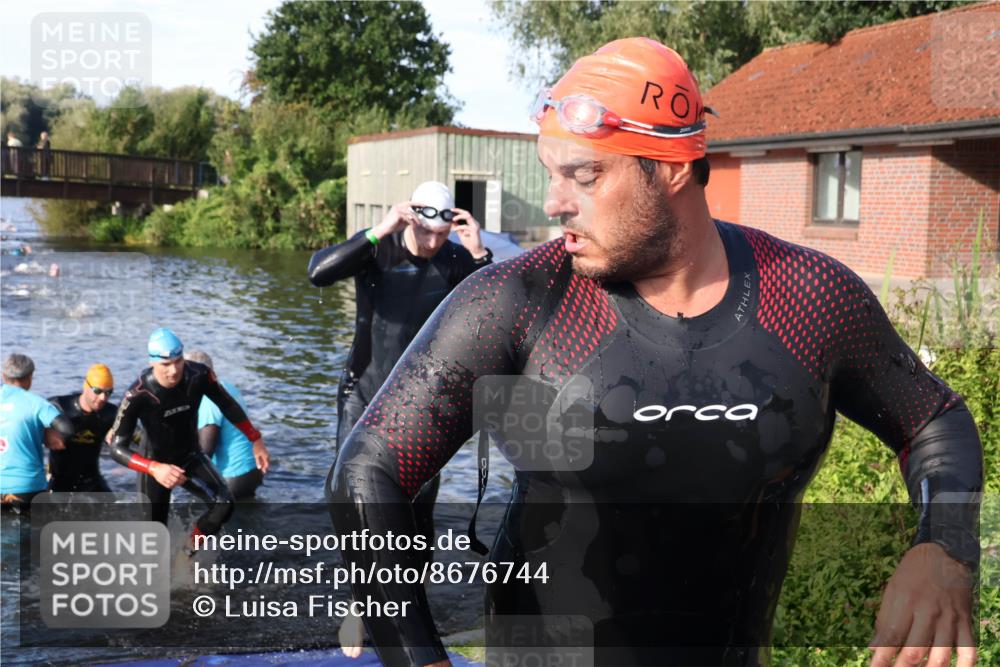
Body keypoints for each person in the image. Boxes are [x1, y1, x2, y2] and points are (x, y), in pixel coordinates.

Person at [327, 38, 983, 667]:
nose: (555, 202)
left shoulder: (808, 299)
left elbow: (934, 421)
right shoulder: (518, 300)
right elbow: (366, 471)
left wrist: (944, 548)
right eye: (553, 174)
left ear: (671, 167)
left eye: (583, 176)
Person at [309, 180, 493, 656]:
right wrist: (378, 230)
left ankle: (408, 599)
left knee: (416, 513)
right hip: (364, 395)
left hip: (422, 400)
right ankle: (359, 602)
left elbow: (492, 316)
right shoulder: (381, 249)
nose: (433, 243)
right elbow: (318, 273)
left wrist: (478, 254)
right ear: (411, 218)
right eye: (425, 232)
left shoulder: (456, 259)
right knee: (360, 506)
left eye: (442, 234)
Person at [107, 328, 266, 545]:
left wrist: (255, 439)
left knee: (224, 504)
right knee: (154, 535)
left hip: (189, 455)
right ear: (152, 362)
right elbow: (116, 448)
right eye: (166, 364)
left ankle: (187, 553)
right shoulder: (137, 394)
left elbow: (227, 404)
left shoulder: (198, 375)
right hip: (155, 465)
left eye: (178, 361)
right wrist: (154, 468)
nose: (174, 370)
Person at [186, 349, 270, 499]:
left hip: (232, 479)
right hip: (253, 470)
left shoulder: (207, 402)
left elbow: (206, 451)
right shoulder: (226, 387)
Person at [0, 354, 74, 511]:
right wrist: (46, 431)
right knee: (30, 534)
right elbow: (68, 429)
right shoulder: (36, 403)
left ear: (3, 375)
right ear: (30, 377)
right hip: (27, 487)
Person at [48, 364, 119, 493]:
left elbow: (138, 437)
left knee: (117, 511)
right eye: (98, 391)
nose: (103, 397)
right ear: (86, 386)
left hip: (91, 480)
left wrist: (117, 431)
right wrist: (45, 433)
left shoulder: (111, 414)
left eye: (109, 392)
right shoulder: (58, 406)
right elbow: (23, 428)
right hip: (58, 480)